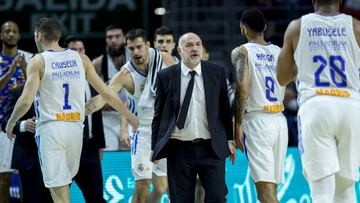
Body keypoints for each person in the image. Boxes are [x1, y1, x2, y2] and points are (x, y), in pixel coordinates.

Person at [5, 17, 138, 203]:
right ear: (59, 35)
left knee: (58, 191)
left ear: (38, 35)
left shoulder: (38, 61)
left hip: (51, 129)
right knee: (63, 188)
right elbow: (107, 93)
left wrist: (11, 122)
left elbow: (26, 100)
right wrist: (131, 118)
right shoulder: (81, 59)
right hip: (76, 129)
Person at [276, 0, 360, 202]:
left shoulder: (297, 27)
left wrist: (302, 64)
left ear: (313, 0)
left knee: (321, 188)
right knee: (346, 185)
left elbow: (282, 77)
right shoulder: (356, 26)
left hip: (317, 104)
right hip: (351, 105)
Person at [86, 28, 175, 203]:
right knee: (142, 185)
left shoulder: (164, 59)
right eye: (131, 48)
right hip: (142, 131)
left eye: (139, 47)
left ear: (148, 45)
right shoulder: (125, 74)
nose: (136, 52)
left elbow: (181, 88)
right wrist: (86, 109)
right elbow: (104, 96)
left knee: (164, 187)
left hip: (166, 130)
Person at [151, 32, 236, 203]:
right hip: (179, 149)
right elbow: (159, 115)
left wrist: (229, 139)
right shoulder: (165, 76)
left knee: (218, 198)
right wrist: (155, 147)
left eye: (198, 44)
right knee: (181, 200)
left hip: (211, 147)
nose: (195, 48)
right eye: (189, 45)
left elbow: (225, 110)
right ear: (179, 50)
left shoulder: (216, 72)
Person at [231, 9, 288, 203]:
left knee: (266, 193)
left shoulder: (242, 51)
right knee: (269, 190)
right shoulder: (279, 52)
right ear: (265, 27)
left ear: (243, 29)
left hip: (257, 121)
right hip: (280, 121)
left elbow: (243, 88)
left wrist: (237, 124)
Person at [64, 35, 106, 203]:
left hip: (89, 147)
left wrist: (100, 145)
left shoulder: (92, 79)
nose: (78, 54)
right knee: (58, 196)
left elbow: (97, 115)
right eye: (73, 50)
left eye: (81, 50)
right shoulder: (57, 80)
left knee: (96, 197)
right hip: (64, 146)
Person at [2, 85, 53, 203]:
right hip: (29, 159)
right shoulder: (17, 92)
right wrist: (23, 125)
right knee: (31, 199)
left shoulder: (56, 89)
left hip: (54, 155)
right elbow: (5, 123)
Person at [0, 20, 33, 203]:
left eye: (14, 31)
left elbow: (38, 88)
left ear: (19, 35)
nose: (11, 34)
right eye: (7, 31)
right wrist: (11, 71)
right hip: (3, 127)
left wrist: (24, 69)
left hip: (26, 126)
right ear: (1, 35)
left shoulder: (30, 59)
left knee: (29, 177)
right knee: (3, 181)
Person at [92, 24, 130, 150]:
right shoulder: (98, 63)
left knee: (133, 159)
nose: (113, 40)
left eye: (117, 36)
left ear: (124, 38)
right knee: (109, 156)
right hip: (107, 119)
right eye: (109, 37)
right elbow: (92, 95)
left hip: (130, 117)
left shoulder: (135, 60)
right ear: (106, 40)